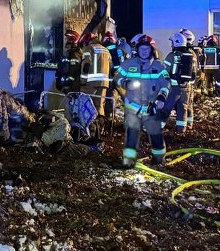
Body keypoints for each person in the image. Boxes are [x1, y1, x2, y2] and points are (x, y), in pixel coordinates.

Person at [117, 34, 171, 167]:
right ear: (138, 49)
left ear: (152, 50)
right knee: (131, 137)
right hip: (133, 109)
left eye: (147, 49)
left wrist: (161, 97)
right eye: (142, 48)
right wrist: (124, 82)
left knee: (156, 135)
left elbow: (166, 83)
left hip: (151, 108)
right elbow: (116, 78)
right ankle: (128, 162)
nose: (144, 51)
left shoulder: (159, 67)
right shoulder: (128, 64)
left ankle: (159, 160)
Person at [163, 29, 197, 129]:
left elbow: (165, 72)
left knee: (166, 107)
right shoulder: (191, 56)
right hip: (187, 87)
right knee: (183, 108)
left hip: (174, 87)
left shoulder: (171, 56)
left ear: (176, 43)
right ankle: (182, 129)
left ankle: (157, 127)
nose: (171, 45)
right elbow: (194, 72)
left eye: (172, 43)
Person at [80, 32, 114, 117]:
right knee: (99, 106)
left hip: (91, 82)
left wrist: (82, 81)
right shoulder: (106, 50)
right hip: (104, 83)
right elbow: (111, 67)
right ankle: (100, 125)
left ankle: (89, 126)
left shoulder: (89, 48)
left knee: (87, 105)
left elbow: (86, 65)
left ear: (87, 41)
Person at [199, 31, 220, 96]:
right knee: (217, 81)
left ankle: (210, 93)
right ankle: (218, 93)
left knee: (209, 81)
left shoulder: (204, 49)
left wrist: (202, 68)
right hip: (216, 68)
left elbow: (201, 59)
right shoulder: (218, 49)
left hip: (207, 69)